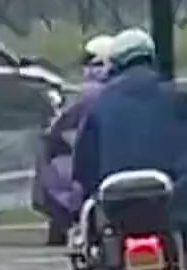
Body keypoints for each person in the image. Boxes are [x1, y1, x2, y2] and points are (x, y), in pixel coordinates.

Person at [73, 27, 187, 238]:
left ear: (115, 63)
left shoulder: (99, 105)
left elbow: (83, 164)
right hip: (170, 205)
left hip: (116, 207)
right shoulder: (177, 98)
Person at [33, 35, 114, 246]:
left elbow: (62, 128)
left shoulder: (89, 94)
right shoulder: (114, 90)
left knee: (57, 168)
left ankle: (67, 215)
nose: (87, 68)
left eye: (91, 62)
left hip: (96, 163)